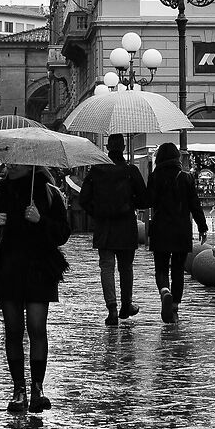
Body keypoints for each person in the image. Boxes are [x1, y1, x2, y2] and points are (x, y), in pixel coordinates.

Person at [0, 166, 70, 409]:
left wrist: (40, 220)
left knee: (37, 327)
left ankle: (37, 387)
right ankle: (18, 389)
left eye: (19, 161)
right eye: (11, 161)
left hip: (40, 268)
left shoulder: (50, 193)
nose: (12, 166)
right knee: (13, 330)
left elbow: (63, 233)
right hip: (9, 268)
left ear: (31, 164)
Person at [79, 135, 147, 324]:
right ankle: (127, 305)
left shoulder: (97, 171)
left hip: (104, 227)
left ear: (108, 147)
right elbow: (144, 199)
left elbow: (84, 199)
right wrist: (129, 202)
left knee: (107, 268)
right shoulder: (131, 171)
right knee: (126, 268)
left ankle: (112, 310)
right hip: (126, 226)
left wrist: (98, 212)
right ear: (124, 147)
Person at [145, 141, 206, 321]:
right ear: (177, 158)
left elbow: (148, 201)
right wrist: (202, 226)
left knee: (161, 268)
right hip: (181, 230)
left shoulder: (155, 177)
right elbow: (195, 205)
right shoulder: (186, 177)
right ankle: (174, 306)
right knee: (178, 270)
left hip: (160, 229)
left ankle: (164, 291)